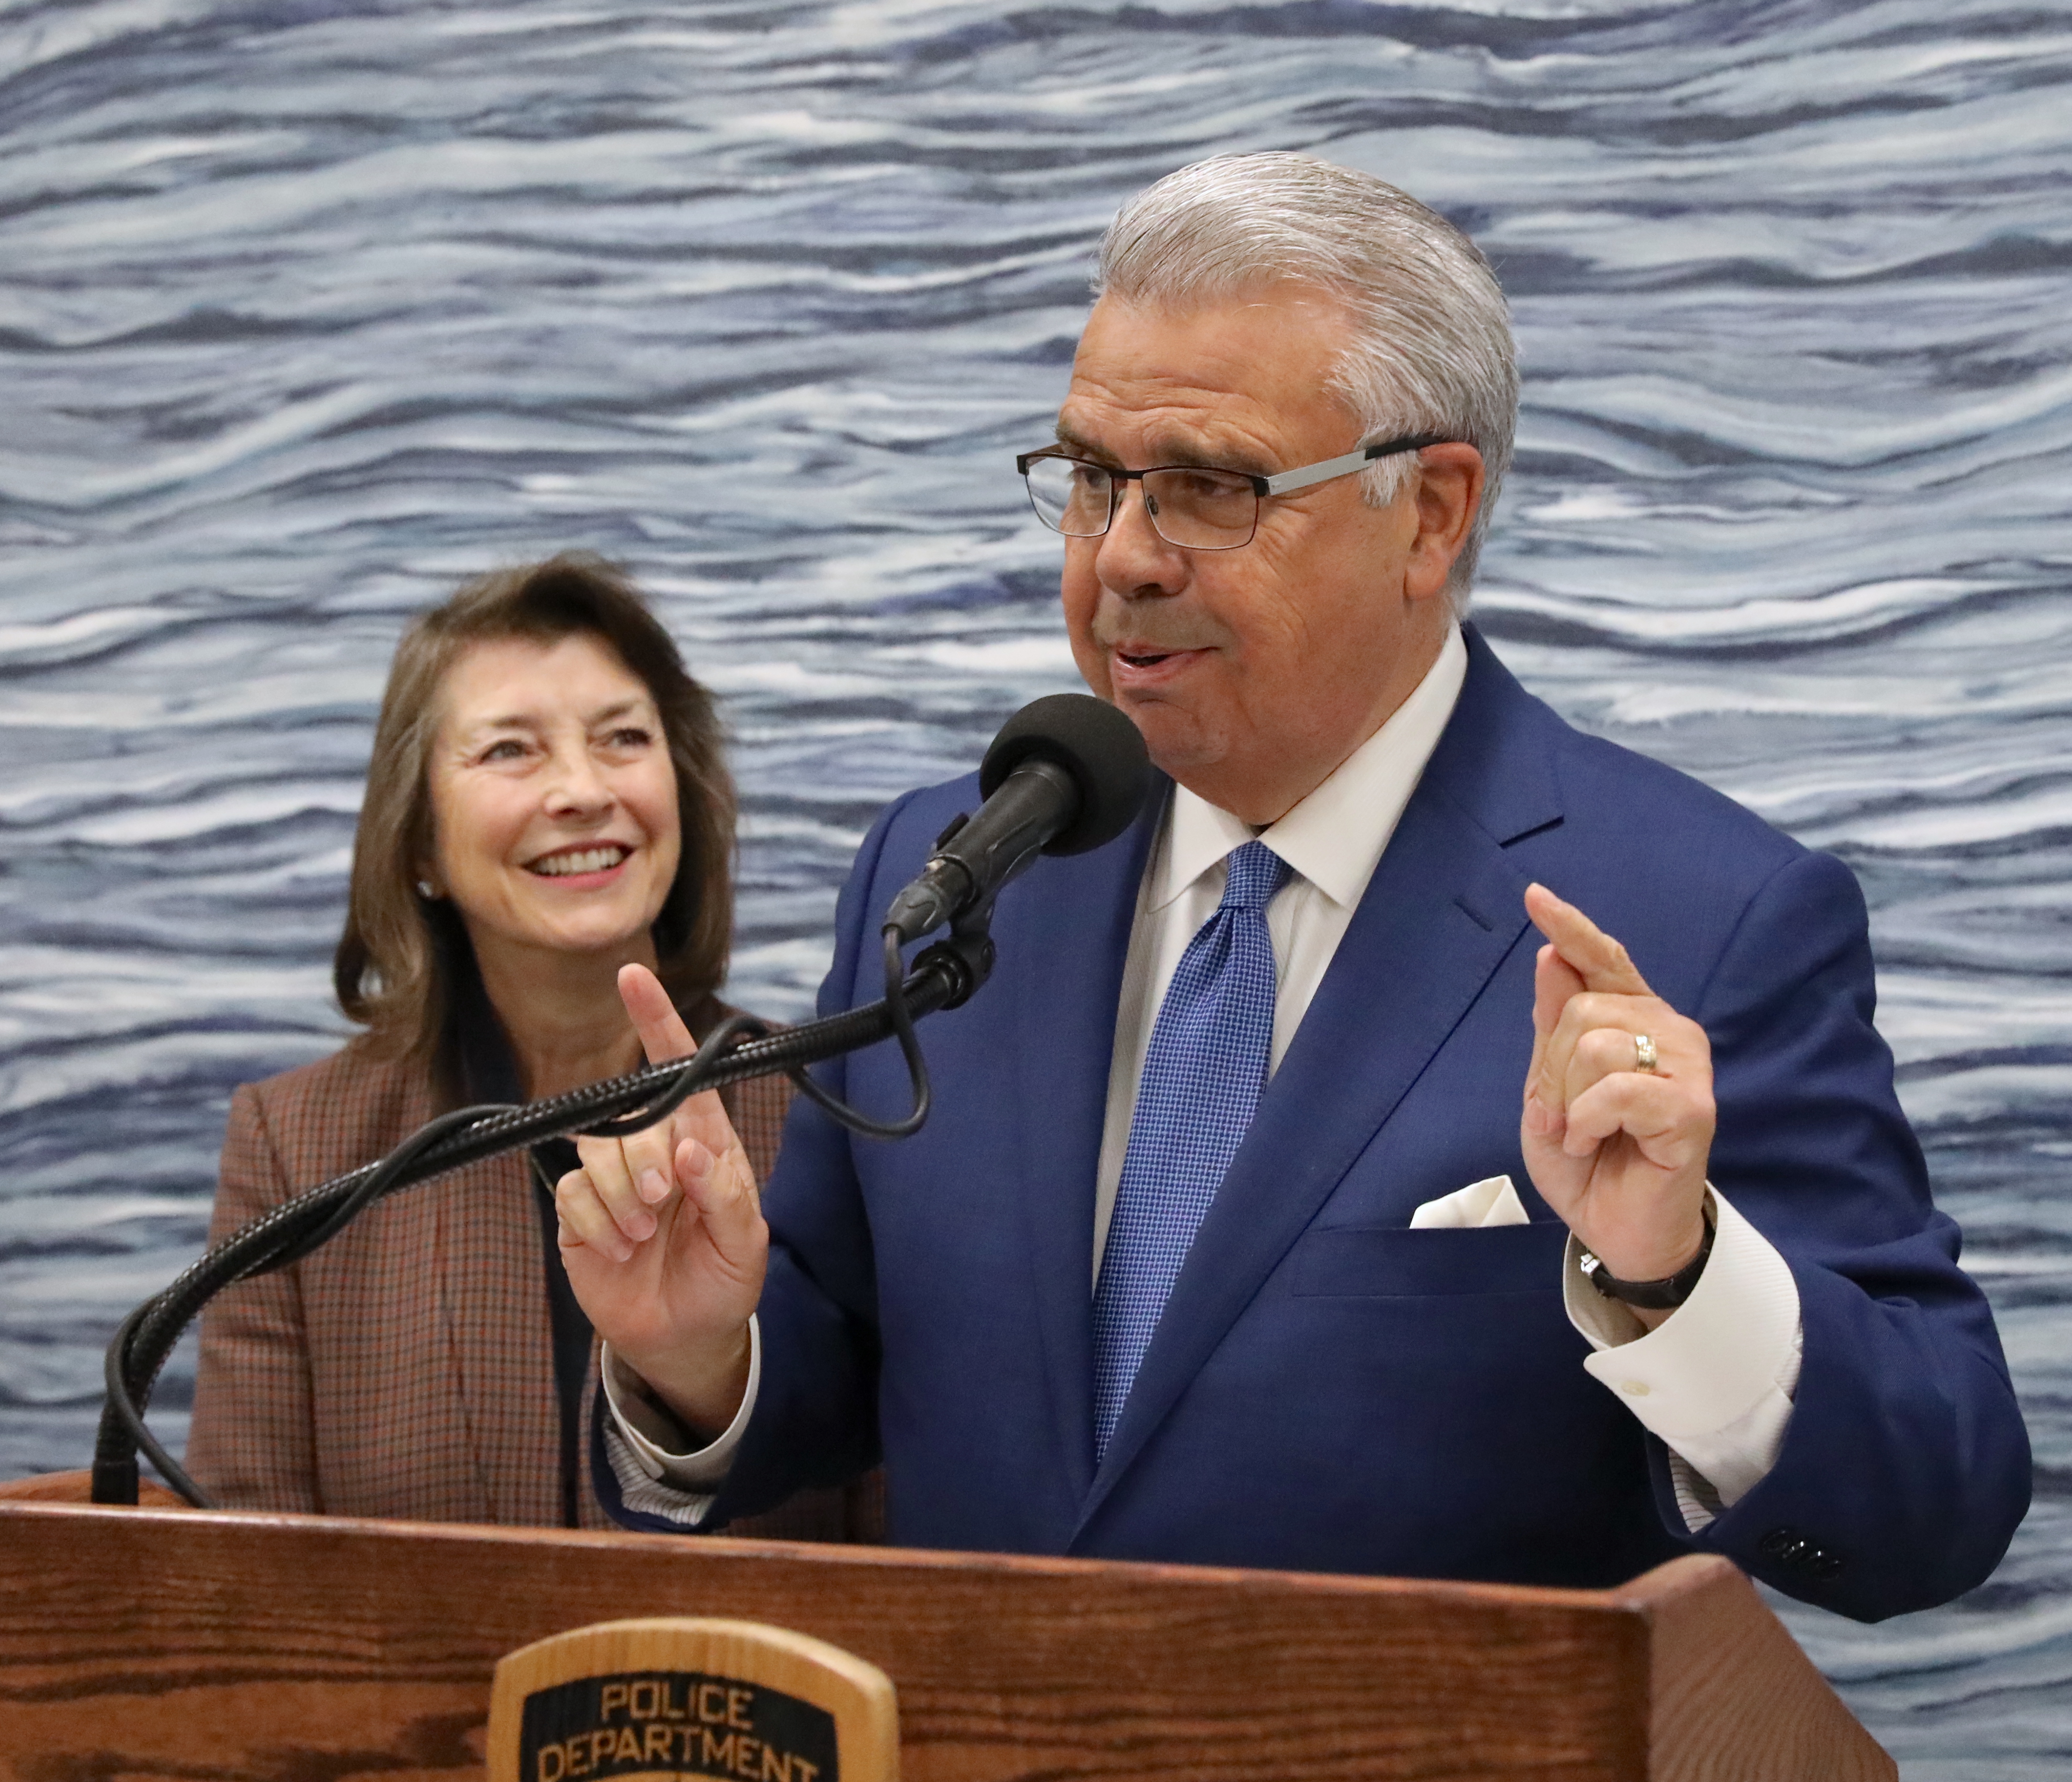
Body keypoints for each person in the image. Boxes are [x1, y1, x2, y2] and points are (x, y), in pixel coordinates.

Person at [552, 152, 2030, 1622]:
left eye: (1206, 486)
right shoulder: (956, 872)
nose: (1121, 557)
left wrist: (1675, 1273)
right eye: (1087, 478)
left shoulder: (1697, 916)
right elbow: (857, 1374)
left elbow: (1935, 1507)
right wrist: (699, 1356)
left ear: (1430, 512)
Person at [186, 553, 870, 1541]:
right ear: (418, 841)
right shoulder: (297, 1145)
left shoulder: (827, 1110)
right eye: (511, 750)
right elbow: (242, 1572)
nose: (583, 790)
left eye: (623, 739)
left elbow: (903, 1530)